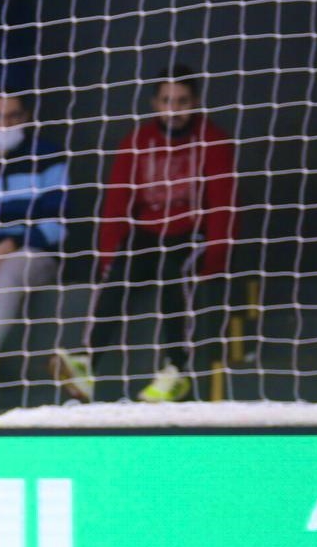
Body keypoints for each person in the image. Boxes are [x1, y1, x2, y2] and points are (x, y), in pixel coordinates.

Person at [55, 64, 236, 403]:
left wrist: (215, 256)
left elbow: (223, 204)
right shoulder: (137, 140)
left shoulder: (214, 140)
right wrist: (108, 256)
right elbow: (117, 202)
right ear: (155, 102)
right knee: (120, 271)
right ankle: (85, 361)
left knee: (174, 273)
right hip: (148, 233)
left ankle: (176, 370)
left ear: (195, 102)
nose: (174, 109)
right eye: (167, 100)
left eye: (182, 101)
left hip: (190, 232)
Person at [0, 93, 68, 370]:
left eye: (13, 116)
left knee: (9, 274)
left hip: (33, 255)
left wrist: (11, 244)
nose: (5, 124)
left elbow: (57, 227)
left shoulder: (49, 157)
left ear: (25, 117)